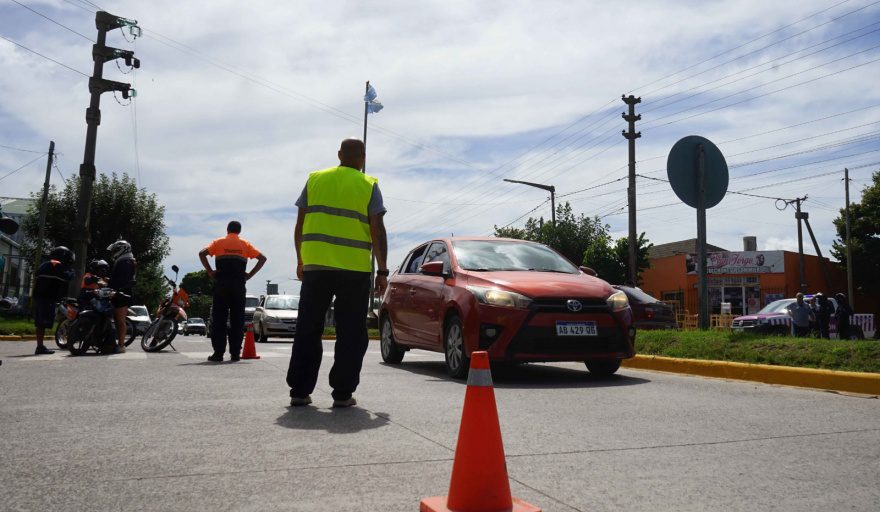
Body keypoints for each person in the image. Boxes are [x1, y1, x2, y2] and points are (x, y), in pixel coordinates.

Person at [287, 138, 388, 408]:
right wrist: (382, 271)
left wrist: (301, 260)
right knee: (351, 333)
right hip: (354, 271)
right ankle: (342, 393)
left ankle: (299, 390)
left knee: (308, 328)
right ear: (363, 158)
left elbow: (299, 225)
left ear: (339, 154)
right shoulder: (368, 185)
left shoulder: (315, 180)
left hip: (316, 267)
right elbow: (377, 230)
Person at [199, 221, 266, 362]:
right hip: (239, 286)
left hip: (221, 285)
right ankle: (235, 353)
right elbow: (262, 259)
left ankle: (218, 354)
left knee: (219, 320)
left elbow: (202, 254)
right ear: (239, 231)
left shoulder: (218, 242)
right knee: (237, 320)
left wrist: (210, 272)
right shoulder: (245, 244)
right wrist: (249, 275)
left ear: (227, 229)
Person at [31, 246, 75, 355]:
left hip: (39, 297)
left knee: (40, 323)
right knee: (43, 323)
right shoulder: (56, 264)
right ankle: (40, 347)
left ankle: (40, 346)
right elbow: (67, 277)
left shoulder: (44, 264)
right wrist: (72, 271)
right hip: (47, 297)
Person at [107, 241, 137, 353]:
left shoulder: (125, 262)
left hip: (121, 293)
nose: (114, 253)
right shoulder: (125, 261)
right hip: (118, 292)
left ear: (122, 249)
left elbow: (121, 280)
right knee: (116, 319)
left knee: (119, 320)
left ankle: (121, 345)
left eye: (116, 250)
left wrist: (111, 286)